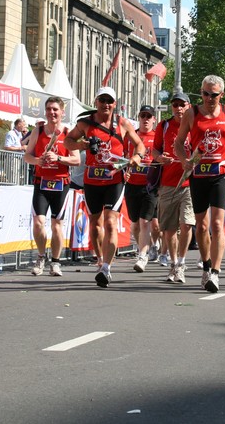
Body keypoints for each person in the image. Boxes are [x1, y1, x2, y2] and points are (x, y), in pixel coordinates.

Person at [65, 87, 145, 288]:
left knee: (110, 222)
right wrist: (83, 145)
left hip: (114, 179)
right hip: (92, 180)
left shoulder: (122, 123)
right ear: (96, 102)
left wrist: (136, 157)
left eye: (109, 101)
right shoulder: (85, 123)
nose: (106, 104)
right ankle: (100, 259)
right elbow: (68, 141)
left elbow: (140, 145)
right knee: (95, 224)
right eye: (102, 100)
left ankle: (107, 268)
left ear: (115, 104)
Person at [175, 75, 225, 293]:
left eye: (213, 95)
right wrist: (184, 160)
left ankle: (215, 272)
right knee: (202, 226)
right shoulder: (192, 113)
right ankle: (206, 265)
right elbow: (179, 142)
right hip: (198, 174)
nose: (208, 98)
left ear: (221, 95)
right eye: (205, 94)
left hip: (220, 173)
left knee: (217, 224)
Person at [24, 97, 80, 277]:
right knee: (38, 223)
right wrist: (37, 160)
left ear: (62, 112)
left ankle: (55, 262)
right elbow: (27, 156)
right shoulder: (38, 130)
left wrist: (59, 158)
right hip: (41, 182)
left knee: (57, 225)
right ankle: (41, 257)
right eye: (49, 109)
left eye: (55, 109)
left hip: (60, 183)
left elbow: (77, 159)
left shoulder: (68, 133)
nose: (52, 112)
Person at [152, 91, 196, 284]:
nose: (178, 108)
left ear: (189, 106)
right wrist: (160, 158)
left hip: (190, 183)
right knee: (169, 229)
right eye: (175, 105)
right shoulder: (164, 126)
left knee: (186, 224)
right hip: (168, 184)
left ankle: (182, 263)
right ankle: (173, 262)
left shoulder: (195, 125)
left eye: (182, 105)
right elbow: (154, 150)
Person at [125, 105, 159, 273]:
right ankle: (147, 248)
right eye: (143, 116)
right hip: (132, 184)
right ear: (138, 118)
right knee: (135, 225)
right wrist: (125, 171)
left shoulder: (157, 137)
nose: (145, 119)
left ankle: (142, 256)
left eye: (148, 116)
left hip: (150, 186)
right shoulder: (131, 136)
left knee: (146, 222)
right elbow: (124, 157)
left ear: (154, 119)